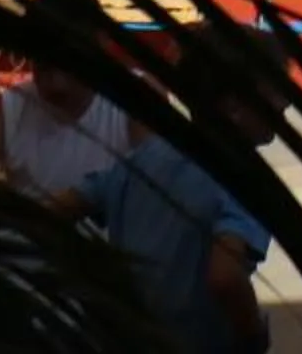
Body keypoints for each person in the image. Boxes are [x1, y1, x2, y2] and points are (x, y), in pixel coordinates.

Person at [52, 23, 286, 354]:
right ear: (234, 106)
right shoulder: (246, 181)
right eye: (276, 95)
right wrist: (251, 336)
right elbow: (226, 277)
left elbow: (65, 204)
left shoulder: (149, 154)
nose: (284, 107)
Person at [0, 0, 139, 200]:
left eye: (69, 65)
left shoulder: (135, 103)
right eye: (44, 67)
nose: (57, 84)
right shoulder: (6, 111)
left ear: (100, 46)